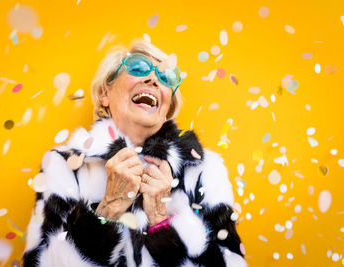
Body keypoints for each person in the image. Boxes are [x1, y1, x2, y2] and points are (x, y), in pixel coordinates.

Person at [22, 39, 247, 267]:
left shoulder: (204, 169)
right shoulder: (65, 165)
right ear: (104, 94)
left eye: (165, 77)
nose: (152, 79)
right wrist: (108, 209)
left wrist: (161, 221)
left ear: (167, 107)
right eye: (138, 68)